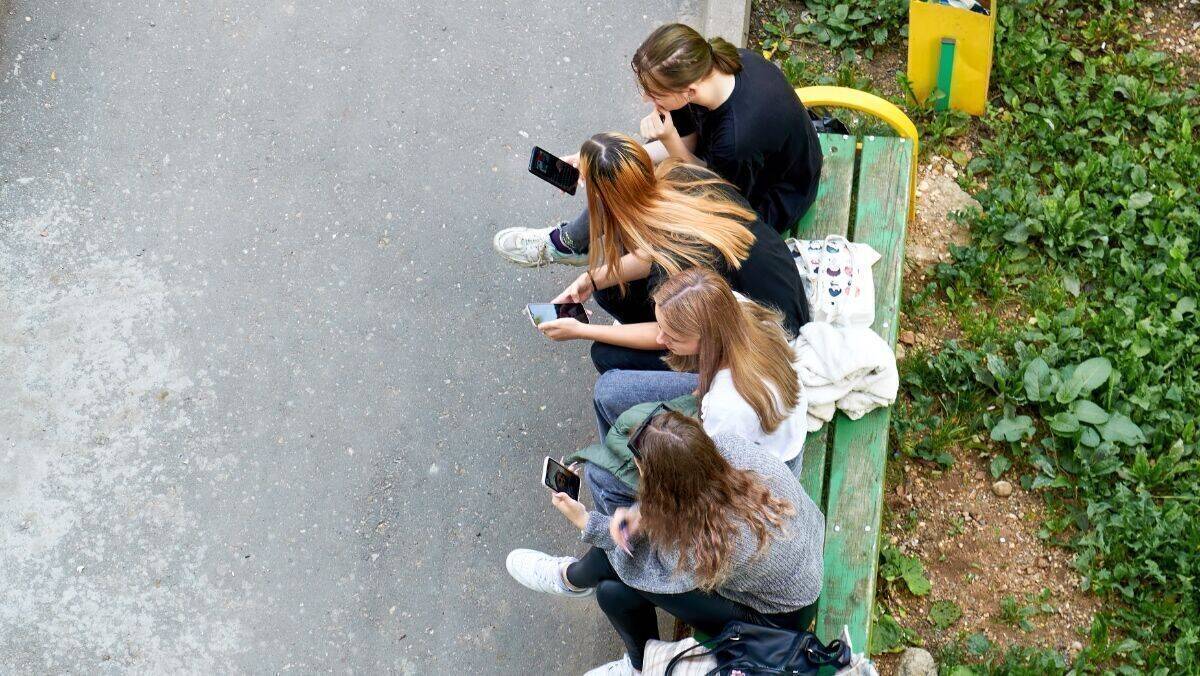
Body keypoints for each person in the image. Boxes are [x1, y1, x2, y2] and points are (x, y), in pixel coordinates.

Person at [506, 413, 823, 676]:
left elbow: (642, 567)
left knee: (616, 568)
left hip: (773, 620)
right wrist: (636, 516)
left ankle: (570, 579)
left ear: (665, 485)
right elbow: (683, 499)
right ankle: (638, 663)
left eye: (641, 469)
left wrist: (587, 522)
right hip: (800, 564)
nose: (637, 472)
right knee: (611, 593)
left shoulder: (709, 540)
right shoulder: (727, 450)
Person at [494, 22, 823, 267]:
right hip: (741, 164)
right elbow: (692, 138)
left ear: (687, 91)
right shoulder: (718, 67)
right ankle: (572, 242)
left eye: (654, 93)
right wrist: (600, 161)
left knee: (643, 194)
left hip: (769, 197)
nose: (646, 99)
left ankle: (571, 245)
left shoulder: (737, 140)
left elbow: (717, 189)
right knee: (618, 168)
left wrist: (666, 141)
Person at [529, 132, 807, 374]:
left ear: (604, 199)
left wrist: (582, 331)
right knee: (608, 287)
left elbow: (666, 334)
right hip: (780, 284)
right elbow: (653, 252)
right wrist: (591, 279)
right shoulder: (680, 174)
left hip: (771, 331)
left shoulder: (674, 264)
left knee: (606, 355)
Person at [583, 268, 808, 514]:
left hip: (762, 477)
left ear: (707, 339)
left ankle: (627, 541)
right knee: (608, 389)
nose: (659, 339)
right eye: (660, 326)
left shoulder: (727, 406)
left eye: (671, 336)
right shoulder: (732, 307)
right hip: (740, 426)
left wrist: (647, 471)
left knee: (599, 475)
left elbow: (711, 483)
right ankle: (616, 454)